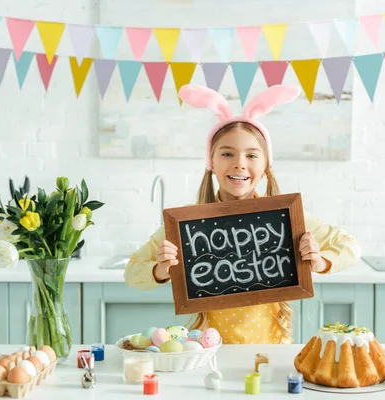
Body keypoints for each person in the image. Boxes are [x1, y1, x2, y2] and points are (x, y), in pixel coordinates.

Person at [124, 84, 361, 344]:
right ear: (211, 163)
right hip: (211, 354)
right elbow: (132, 274)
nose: (239, 163)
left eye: (251, 155)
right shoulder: (187, 226)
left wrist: (321, 262)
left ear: (265, 166)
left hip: (271, 354)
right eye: (227, 153)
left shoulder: (288, 218)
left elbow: (350, 247)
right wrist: (161, 269)